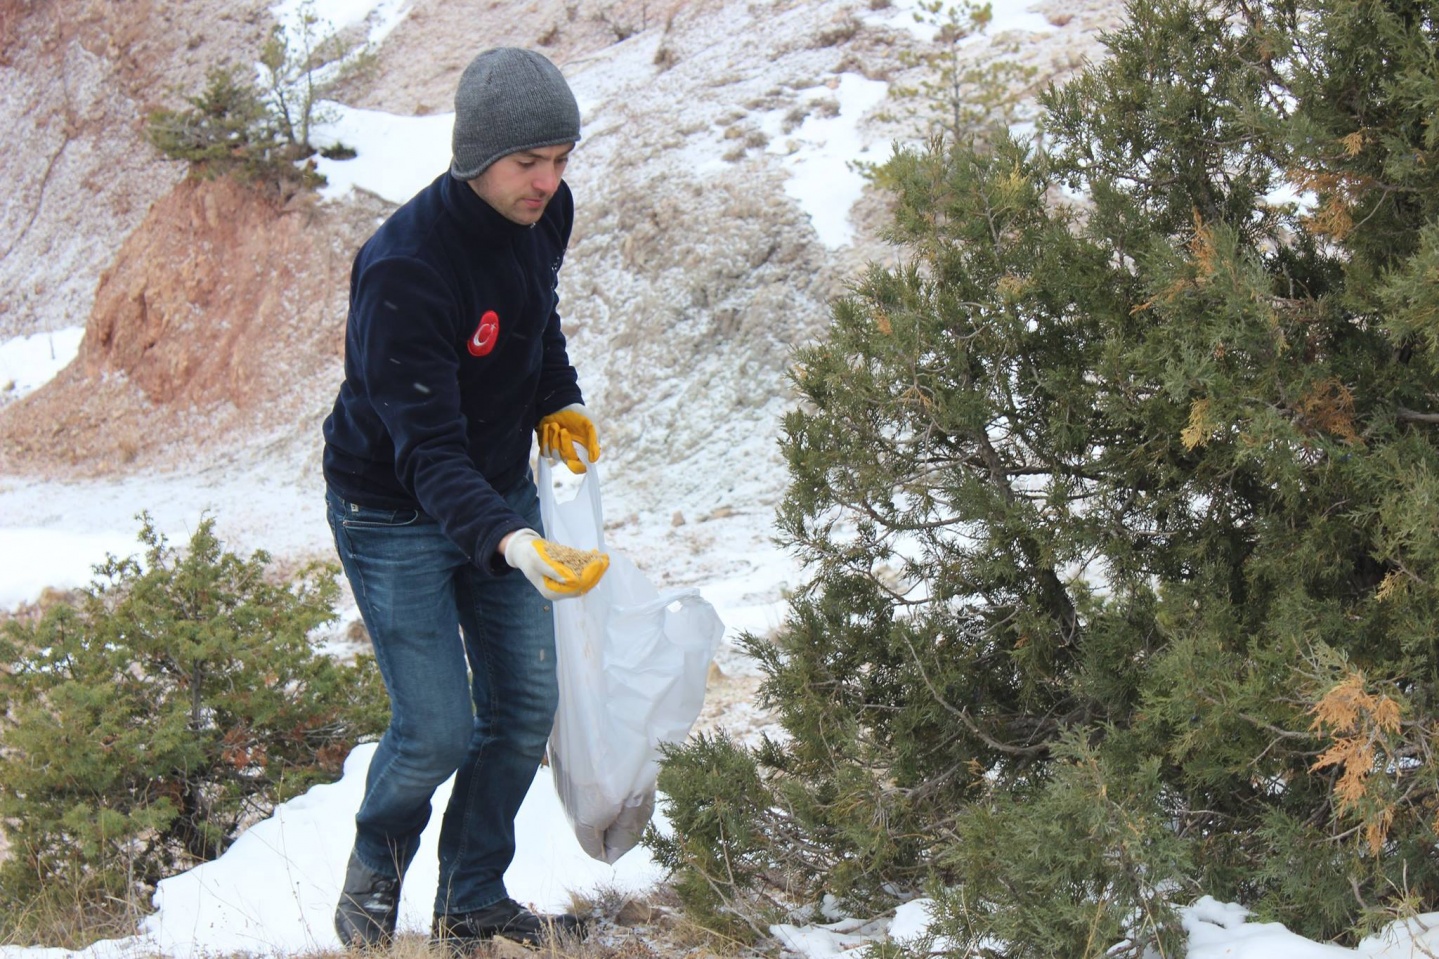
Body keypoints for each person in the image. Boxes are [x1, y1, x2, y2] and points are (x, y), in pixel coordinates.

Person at [320, 46, 608, 950]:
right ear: (476, 155)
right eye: (528, 161)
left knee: (523, 710)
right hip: (391, 511)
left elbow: (534, 313)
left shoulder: (545, 213)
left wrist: (558, 397)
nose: (548, 181)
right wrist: (513, 542)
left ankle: (471, 898)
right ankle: (373, 880)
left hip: (493, 490)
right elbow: (426, 453)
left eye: (560, 158)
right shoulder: (406, 267)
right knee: (436, 729)